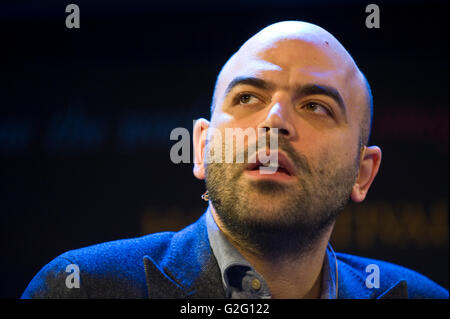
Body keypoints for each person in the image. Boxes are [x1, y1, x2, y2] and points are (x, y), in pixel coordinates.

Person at [21, 21, 448, 299]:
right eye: (247, 98)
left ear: (362, 173)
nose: (275, 121)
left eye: (317, 106)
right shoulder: (82, 288)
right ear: (203, 146)